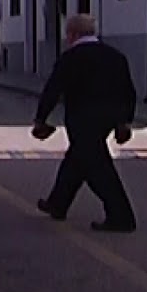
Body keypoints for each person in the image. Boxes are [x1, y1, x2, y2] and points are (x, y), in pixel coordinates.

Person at [32, 14, 138, 232]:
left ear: (73, 34)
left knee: (97, 167)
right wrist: (124, 122)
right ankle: (58, 203)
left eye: (68, 34)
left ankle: (121, 215)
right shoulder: (115, 57)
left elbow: (53, 89)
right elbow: (128, 91)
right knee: (76, 159)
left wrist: (41, 119)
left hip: (82, 118)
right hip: (108, 118)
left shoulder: (70, 58)